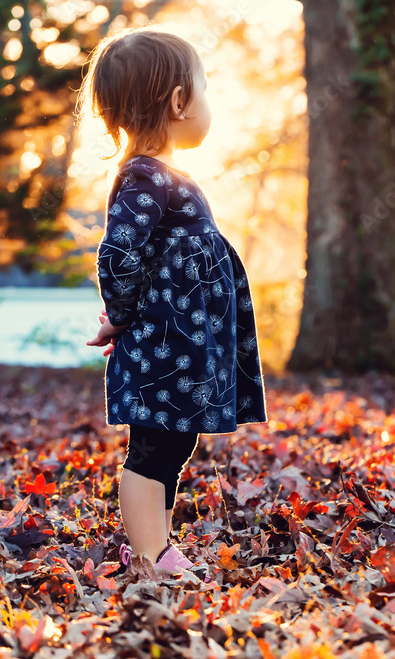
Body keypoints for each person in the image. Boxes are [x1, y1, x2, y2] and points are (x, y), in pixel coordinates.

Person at [77, 27, 269, 578]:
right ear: (180, 101)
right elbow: (118, 253)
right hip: (164, 348)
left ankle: (155, 546)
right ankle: (148, 555)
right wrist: (121, 315)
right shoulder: (143, 177)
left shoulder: (165, 178)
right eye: (204, 90)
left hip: (181, 350)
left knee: (173, 444)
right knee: (154, 448)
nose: (209, 104)